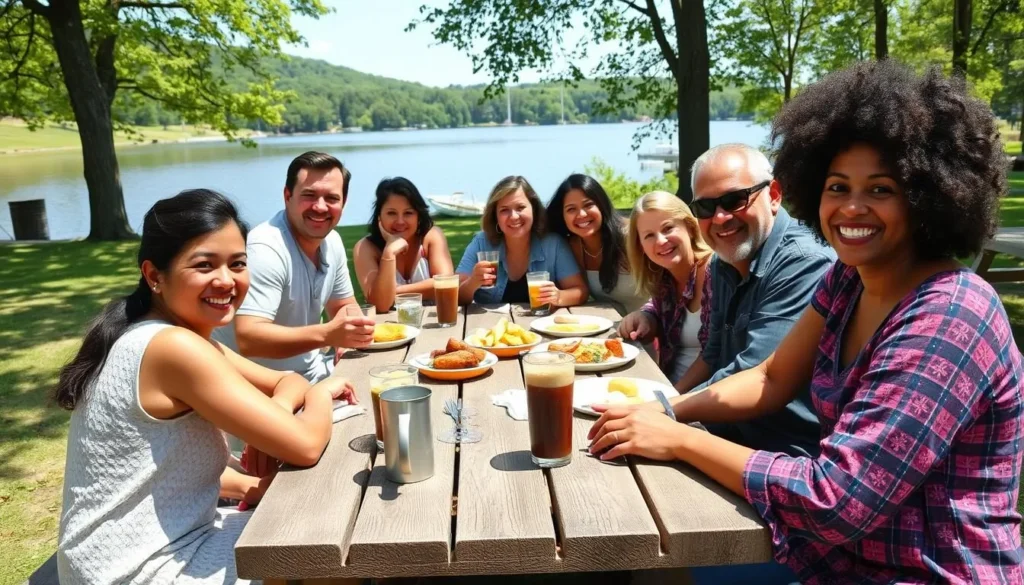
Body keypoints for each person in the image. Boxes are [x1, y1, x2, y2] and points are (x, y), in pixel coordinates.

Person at [589, 61, 1023, 584]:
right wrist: (665, 412)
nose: (852, 207)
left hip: (926, 570)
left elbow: (836, 499)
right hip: (837, 557)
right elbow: (772, 376)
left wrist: (678, 439)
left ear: (929, 194)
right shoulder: (848, 279)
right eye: (837, 186)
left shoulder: (949, 316)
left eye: (881, 189)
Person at [56, 190, 357, 585]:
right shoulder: (173, 347)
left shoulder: (169, 334)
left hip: (135, 553)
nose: (226, 281)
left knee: (322, 522)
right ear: (154, 276)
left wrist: (271, 429)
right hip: (138, 569)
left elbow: (288, 380)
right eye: (204, 265)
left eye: (238, 264)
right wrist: (319, 395)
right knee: (331, 542)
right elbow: (305, 444)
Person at [667, 142, 836, 458]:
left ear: (773, 195)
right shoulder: (722, 262)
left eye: (734, 200)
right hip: (731, 434)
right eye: (705, 207)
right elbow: (715, 352)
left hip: (788, 452)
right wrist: (667, 398)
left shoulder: (804, 263)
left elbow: (757, 372)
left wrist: (665, 409)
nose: (719, 218)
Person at [213, 151, 374, 382]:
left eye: (331, 198)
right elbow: (249, 338)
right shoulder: (265, 249)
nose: (320, 207)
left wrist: (350, 338)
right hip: (259, 389)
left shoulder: (333, 242)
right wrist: (329, 335)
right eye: (309, 195)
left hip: (314, 373)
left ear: (344, 203)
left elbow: (343, 306)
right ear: (287, 196)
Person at [616, 191, 713, 383]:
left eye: (668, 228)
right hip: (665, 385)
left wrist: (670, 401)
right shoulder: (663, 279)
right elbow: (657, 310)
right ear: (640, 246)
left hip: (702, 397)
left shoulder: (714, 271)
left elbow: (715, 354)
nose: (660, 241)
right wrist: (645, 317)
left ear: (690, 227)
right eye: (649, 236)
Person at [457, 175, 589, 306]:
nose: (514, 216)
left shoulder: (553, 244)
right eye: (504, 210)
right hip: (487, 325)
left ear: (534, 209)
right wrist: (473, 282)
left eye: (520, 208)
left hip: (539, 324)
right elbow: (456, 295)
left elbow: (580, 291)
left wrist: (559, 296)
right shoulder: (481, 242)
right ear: (495, 216)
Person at [546, 173, 647, 314]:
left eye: (588, 205)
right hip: (612, 327)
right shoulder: (572, 247)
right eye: (571, 209)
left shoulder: (630, 237)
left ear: (601, 205)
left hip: (654, 325)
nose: (581, 214)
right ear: (562, 216)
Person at [353, 177, 454, 312]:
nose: (400, 221)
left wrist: (395, 292)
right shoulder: (365, 248)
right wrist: (389, 253)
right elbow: (381, 304)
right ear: (379, 216)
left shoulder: (431, 237)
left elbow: (446, 284)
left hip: (434, 325)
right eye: (391, 213)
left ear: (418, 216)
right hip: (389, 329)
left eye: (408, 213)